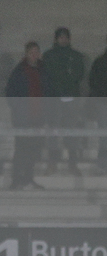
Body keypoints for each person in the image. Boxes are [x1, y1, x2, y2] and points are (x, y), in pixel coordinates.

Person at [6, 41, 53, 190]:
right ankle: (16, 179)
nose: (34, 55)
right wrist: (19, 109)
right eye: (32, 52)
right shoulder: (19, 71)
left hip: (38, 117)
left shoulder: (43, 71)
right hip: (23, 118)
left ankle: (28, 178)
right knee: (21, 149)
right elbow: (11, 93)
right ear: (26, 54)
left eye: (36, 52)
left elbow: (48, 92)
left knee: (33, 149)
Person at [42, 27, 85, 175]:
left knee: (71, 132)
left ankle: (72, 164)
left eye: (66, 37)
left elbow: (78, 76)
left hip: (70, 99)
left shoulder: (76, 56)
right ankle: (52, 163)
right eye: (61, 37)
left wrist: (66, 85)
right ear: (56, 39)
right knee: (53, 132)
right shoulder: (48, 56)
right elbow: (49, 76)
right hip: (53, 100)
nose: (63, 39)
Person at [89, 35, 107, 174]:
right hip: (103, 102)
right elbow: (93, 83)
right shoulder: (100, 62)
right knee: (104, 134)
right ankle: (103, 162)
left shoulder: (99, 61)